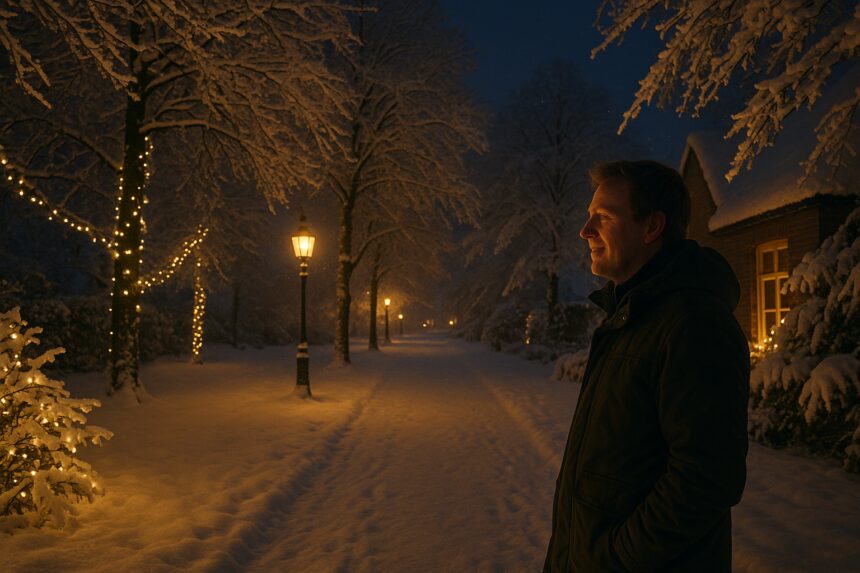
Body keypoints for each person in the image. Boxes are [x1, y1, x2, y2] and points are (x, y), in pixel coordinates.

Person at [544, 160, 750, 572]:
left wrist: (615, 557)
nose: (585, 231)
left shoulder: (693, 323)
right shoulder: (630, 318)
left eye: (602, 217)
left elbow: (704, 479)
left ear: (651, 227)